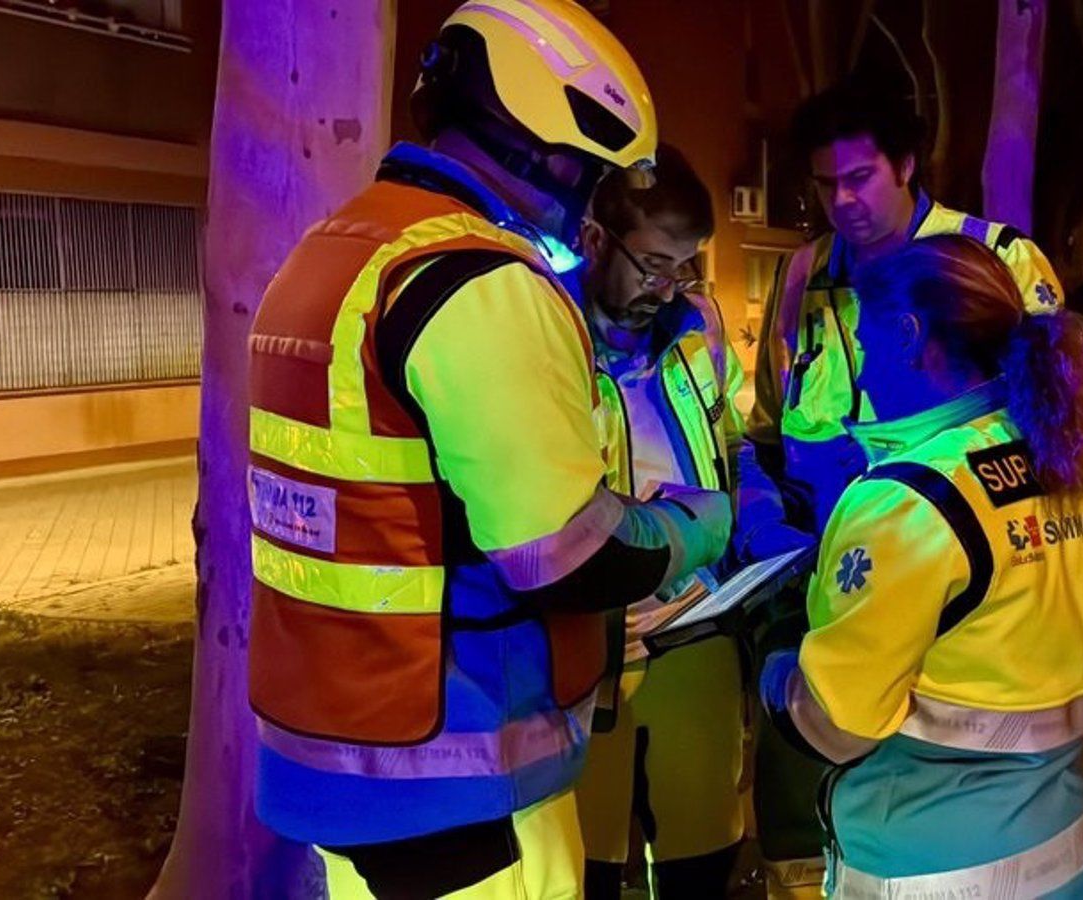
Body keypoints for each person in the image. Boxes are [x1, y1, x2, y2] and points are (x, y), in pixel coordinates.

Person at [245, 3, 731, 897]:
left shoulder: (332, 255)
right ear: (551, 149)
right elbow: (565, 558)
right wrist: (690, 531)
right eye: (595, 174)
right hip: (458, 775)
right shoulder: (482, 282)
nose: (591, 199)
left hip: (341, 753)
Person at [738, 79, 1068, 898]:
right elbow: (769, 422)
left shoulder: (994, 261)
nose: (840, 201)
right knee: (796, 805)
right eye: (823, 184)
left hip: (958, 606)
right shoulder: (805, 275)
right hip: (823, 583)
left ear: (909, 165)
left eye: (859, 179)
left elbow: (1049, 434)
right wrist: (763, 520)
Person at [759, 234, 1083, 899]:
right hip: (1069, 845)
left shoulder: (908, 498)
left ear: (909, 334)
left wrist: (778, 665)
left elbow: (837, 728)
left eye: (864, 348)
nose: (861, 377)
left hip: (935, 864)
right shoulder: (1058, 460)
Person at [571, 145, 747, 899]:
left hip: (698, 628)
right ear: (593, 239)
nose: (668, 287)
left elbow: (733, 443)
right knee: (587, 869)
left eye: (686, 265)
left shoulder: (697, 328)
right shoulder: (545, 338)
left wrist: (762, 526)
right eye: (652, 265)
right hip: (587, 652)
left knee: (701, 863)